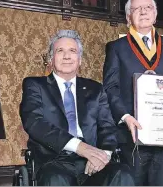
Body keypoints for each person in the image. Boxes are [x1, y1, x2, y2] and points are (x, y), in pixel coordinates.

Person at [102, 0, 163, 186]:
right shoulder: (117, 48)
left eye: (148, 8)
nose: (143, 12)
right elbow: (110, 88)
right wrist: (125, 117)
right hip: (132, 136)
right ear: (128, 17)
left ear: (155, 14)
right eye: (137, 9)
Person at [20, 30, 134, 186]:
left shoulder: (96, 89)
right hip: (54, 162)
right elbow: (34, 122)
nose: (67, 56)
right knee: (55, 180)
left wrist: (104, 155)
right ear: (51, 59)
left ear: (79, 60)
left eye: (72, 51)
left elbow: (107, 128)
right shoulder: (35, 85)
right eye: (60, 51)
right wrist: (79, 147)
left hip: (92, 160)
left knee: (122, 174)